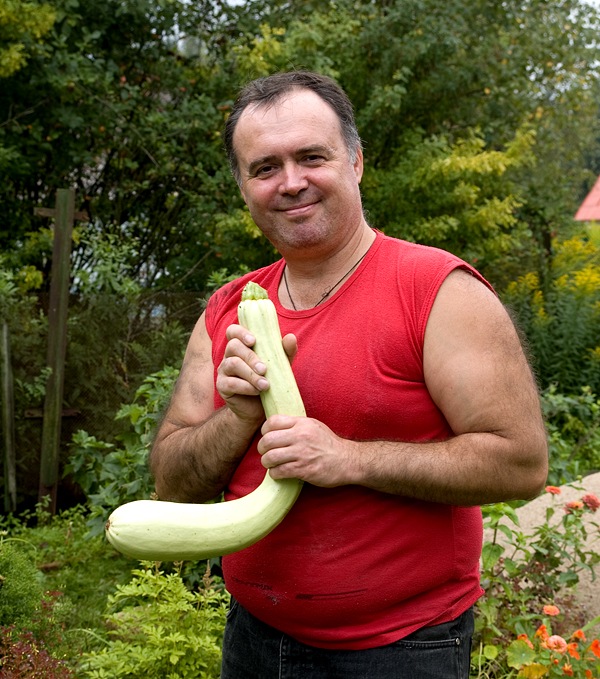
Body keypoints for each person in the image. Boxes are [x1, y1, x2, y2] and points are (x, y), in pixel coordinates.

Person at [149, 70, 548, 679]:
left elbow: (521, 464)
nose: (291, 182)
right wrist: (239, 419)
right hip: (253, 641)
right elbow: (172, 484)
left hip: (402, 651)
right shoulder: (229, 308)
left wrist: (349, 458)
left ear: (356, 162)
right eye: (265, 168)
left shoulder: (438, 291)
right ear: (244, 188)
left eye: (312, 157)